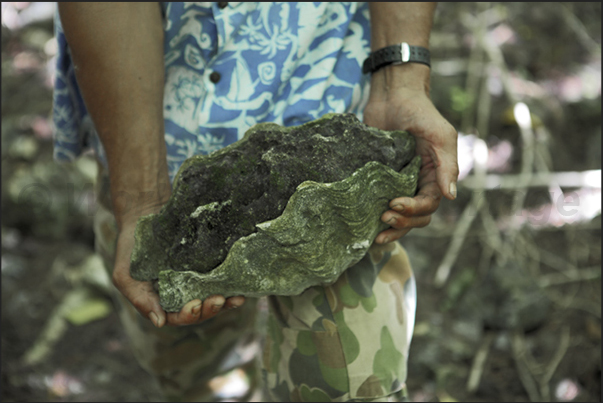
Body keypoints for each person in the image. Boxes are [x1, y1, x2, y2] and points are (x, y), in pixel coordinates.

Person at [53, 2, 458, 401]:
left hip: (340, 141)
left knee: (356, 385)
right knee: (198, 376)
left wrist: (400, 80)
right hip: (154, 142)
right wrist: (140, 197)